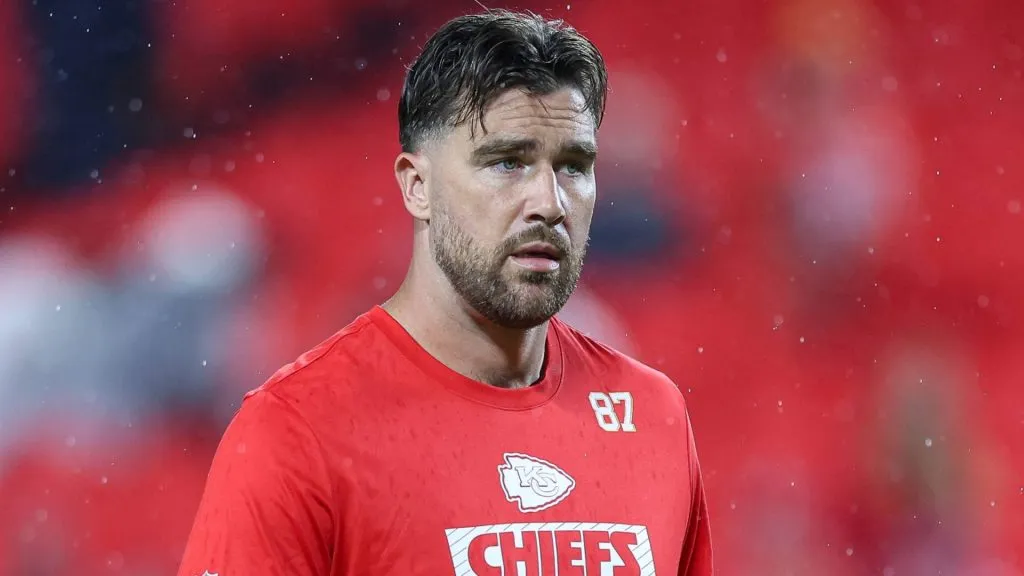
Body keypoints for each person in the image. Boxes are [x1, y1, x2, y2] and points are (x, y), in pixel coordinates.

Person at [177, 9, 712, 576]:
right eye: (507, 163)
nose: (549, 203)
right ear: (417, 186)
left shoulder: (654, 416)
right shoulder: (296, 430)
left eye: (573, 166)